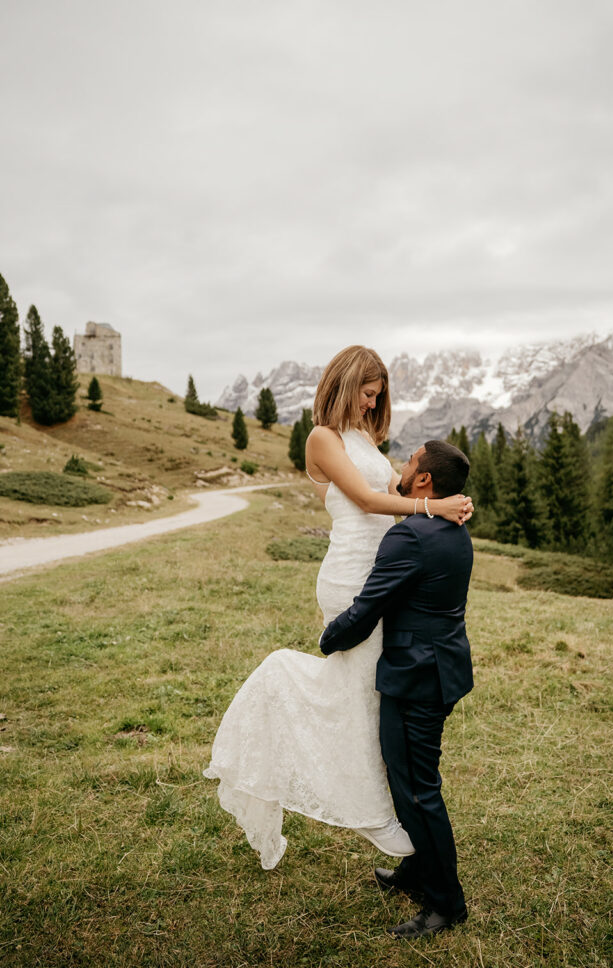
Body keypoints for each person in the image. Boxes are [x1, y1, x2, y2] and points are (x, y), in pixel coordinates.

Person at [203, 346, 473, 870]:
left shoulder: (365, 438)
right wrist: (431, 506)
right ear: (346, 384)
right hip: (350, 575)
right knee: (358, 694)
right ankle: (372, 812)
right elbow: (370, 502)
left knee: (370, 695)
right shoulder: (321, 438)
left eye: (378, 397)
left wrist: (448, 501)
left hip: (384, 571)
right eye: (368, 393)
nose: (373, 405)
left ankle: (381, 805)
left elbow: (399, 485)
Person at [320, 440, 474, 938]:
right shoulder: (452, 528)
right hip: (441, 666)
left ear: (425, 479)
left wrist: (329, 638)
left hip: (416, 677)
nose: (400, 469)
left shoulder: (408, 537)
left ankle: (445, 903)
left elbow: (368, 609)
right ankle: (415, 869)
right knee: (408, 781)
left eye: (409, 463)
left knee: (418, 791)